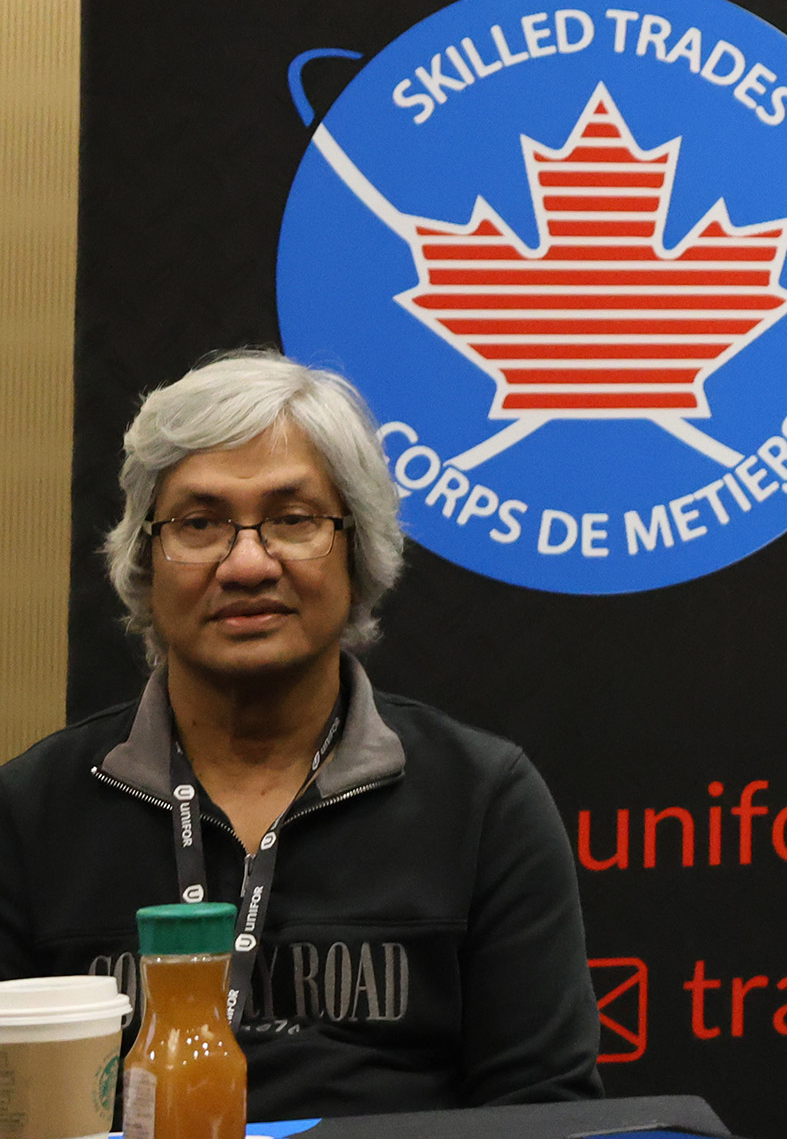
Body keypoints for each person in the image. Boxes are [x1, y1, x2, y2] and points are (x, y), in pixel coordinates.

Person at [0, 351, 601, 1114]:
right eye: (199, 522)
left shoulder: (484, 803)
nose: (247, 563)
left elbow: (546, 1113)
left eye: (292, 519)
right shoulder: (33, 812)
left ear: (359, 549)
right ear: (144, 560)